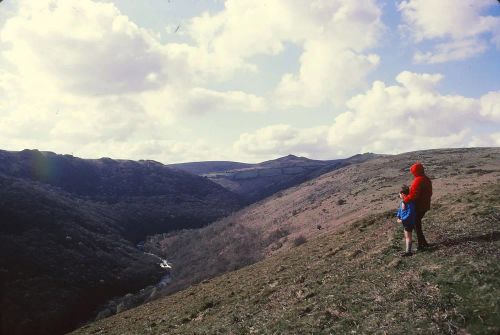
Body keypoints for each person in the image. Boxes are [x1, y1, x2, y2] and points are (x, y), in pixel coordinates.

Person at [403, 162, 432, 250]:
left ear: (415, 171)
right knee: (417, 225)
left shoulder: (418, 180)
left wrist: (405, 200)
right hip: (425, 205)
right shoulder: (426, 179)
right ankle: (423, 243)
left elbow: (414, 195)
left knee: (416, 226)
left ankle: (421, 246)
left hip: (418, 207)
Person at [397, 185, 415, 256]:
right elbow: (400, 210)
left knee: (408, 236)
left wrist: (402, 220)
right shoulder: (403, 202)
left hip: (408, 222)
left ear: (403, 194)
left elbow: (410, 213)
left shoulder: (409, 202)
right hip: (405, 222)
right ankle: (408, 250)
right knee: (407, 235)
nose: (399, 195)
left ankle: (408, 252)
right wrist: (398, 216)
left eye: (399, 194)